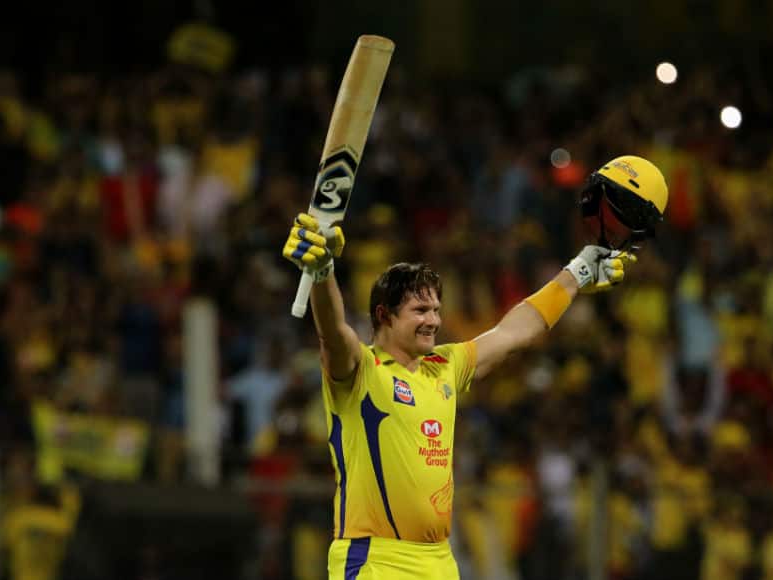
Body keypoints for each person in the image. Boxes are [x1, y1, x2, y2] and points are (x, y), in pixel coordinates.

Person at [282, 155, 668, 579]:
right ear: (384, 315)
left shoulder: (445, 366)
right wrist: (321, 272)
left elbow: (514, 330)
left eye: (436, 309)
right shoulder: (361, 370)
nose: (433, 320)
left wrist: (578, 272)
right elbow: (332, 333)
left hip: (438, 562)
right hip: (375, 560)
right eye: (419, 310)